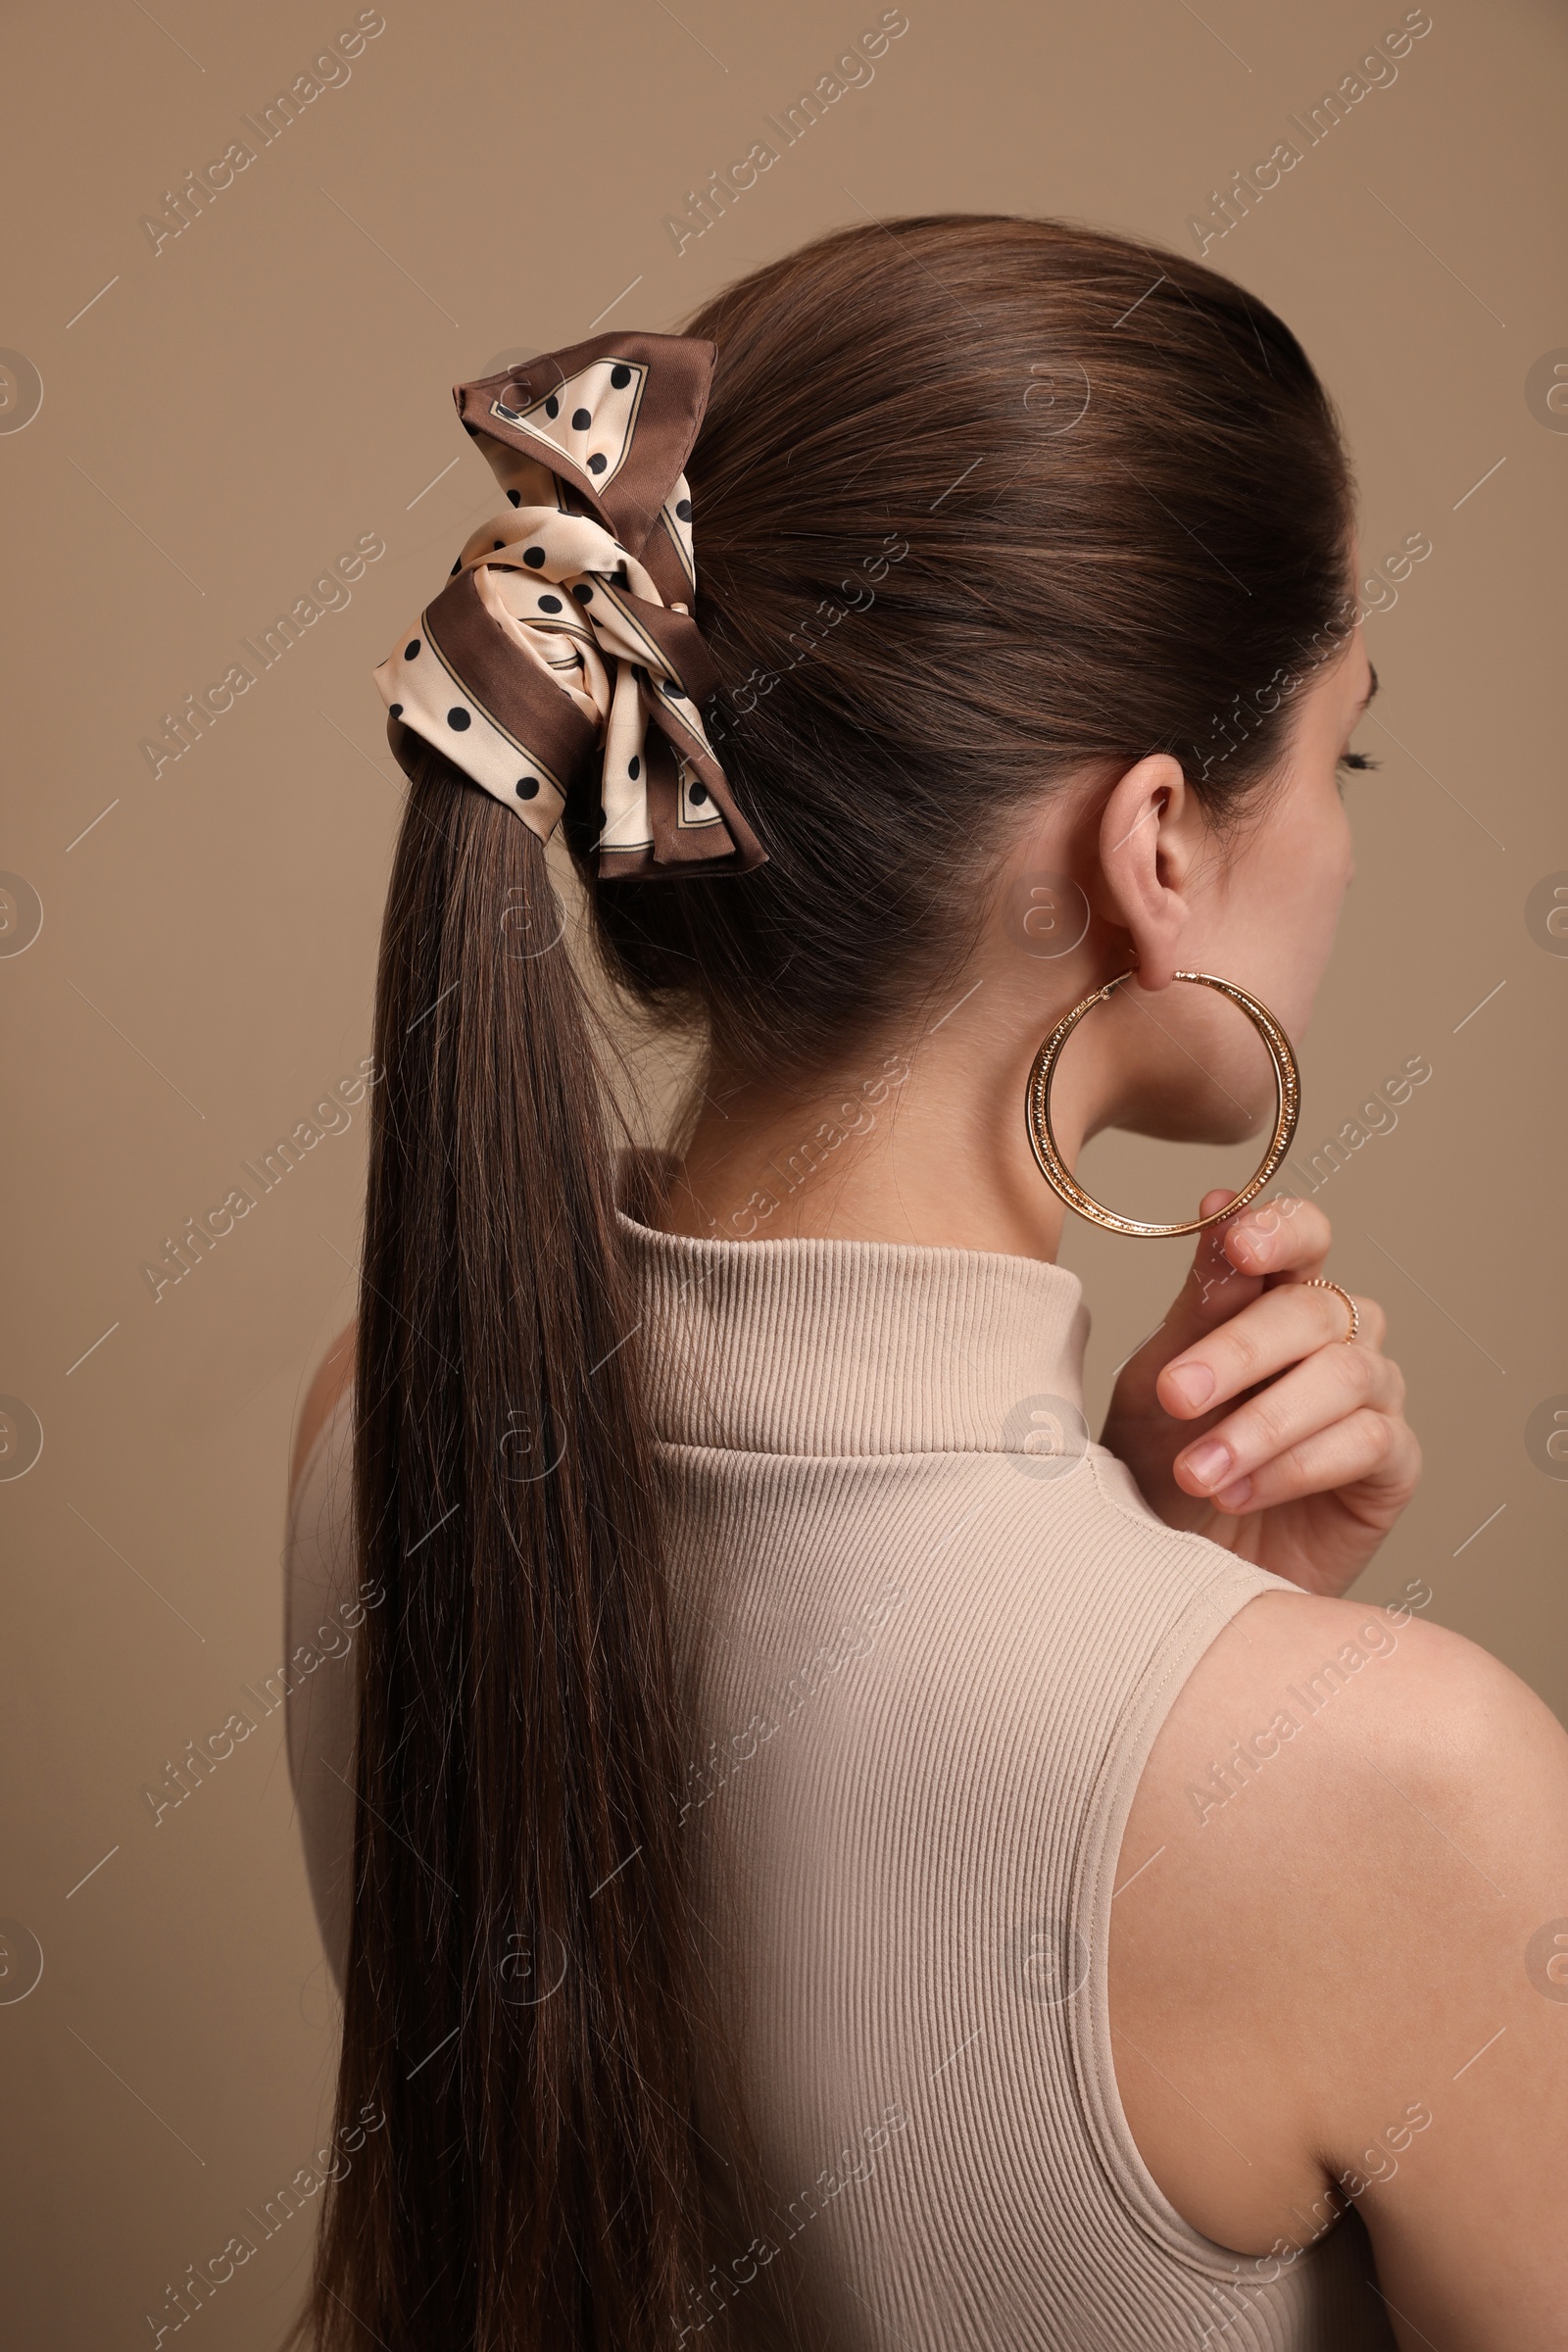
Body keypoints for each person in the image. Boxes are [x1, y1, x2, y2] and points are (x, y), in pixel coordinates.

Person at [283, 216, 1568, 2350]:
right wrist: (1234, 1709)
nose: (1336, 831)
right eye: (1338, 754)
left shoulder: (380, 1428)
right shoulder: (1412, 1797)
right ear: (1151, 842)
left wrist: (1173, 1601)